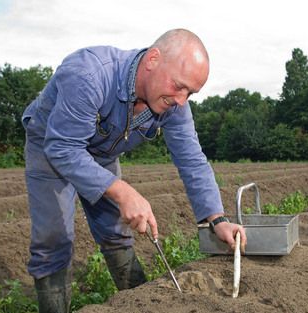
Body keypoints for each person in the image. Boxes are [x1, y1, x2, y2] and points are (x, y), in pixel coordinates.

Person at [21, 28, 247, 313]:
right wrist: (122, 190)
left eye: (191, 92)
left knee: (115, 230)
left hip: (102, 154)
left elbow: (192, 159)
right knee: (53, 238)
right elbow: (63, 148)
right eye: (179, 86)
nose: (181, 99)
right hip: (52, 145)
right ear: (153, 59)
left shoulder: (175, 105)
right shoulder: (88, 74)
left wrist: (217, 219)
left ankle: (139, 303)